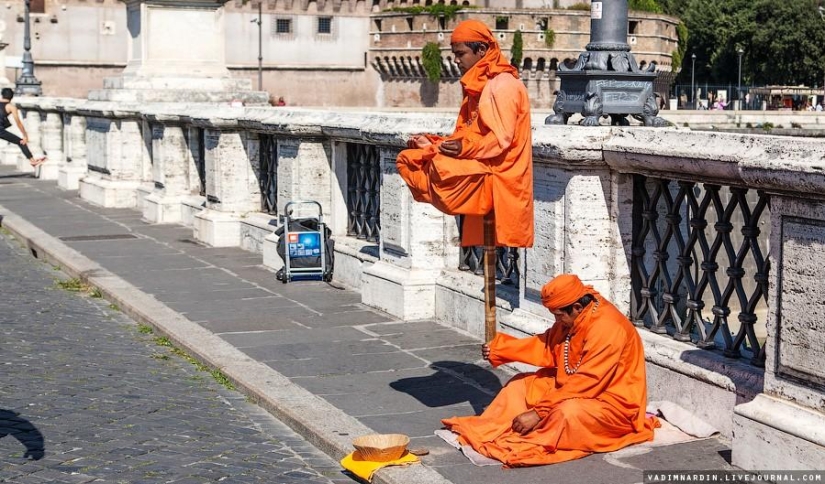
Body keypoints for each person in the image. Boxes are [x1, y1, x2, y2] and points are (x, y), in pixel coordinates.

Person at [442, 274, 660, 467]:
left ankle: (532, 435)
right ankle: (492, 429)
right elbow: (548, 345)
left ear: (576, 307)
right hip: (574, 387)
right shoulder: (573, 318)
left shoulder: (608, 329)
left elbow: (586, 381)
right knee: (520, 384)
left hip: (612, 405)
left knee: (568, 413)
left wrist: (538, 413)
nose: (557, 321)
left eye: (558, 315)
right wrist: (501, 349)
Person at [395, 19, 533, 247]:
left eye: (461, 54)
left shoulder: (504, 85)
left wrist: (460, 149)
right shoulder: (476, 86)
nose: (456, 60)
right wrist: (434, 143)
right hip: (480, 162)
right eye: (454, 55)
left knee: (435, 167)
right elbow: (469, 132)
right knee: (410, 159)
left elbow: (501, 139)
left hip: (499, 171)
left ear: (481, 50)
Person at [0, 88, 46, 168]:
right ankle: (32, 161)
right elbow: (18, 123)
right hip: (0, 131)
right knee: (21, 142)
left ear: (2, 95)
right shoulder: (11, 107)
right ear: (12, 97)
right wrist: (25, 135)